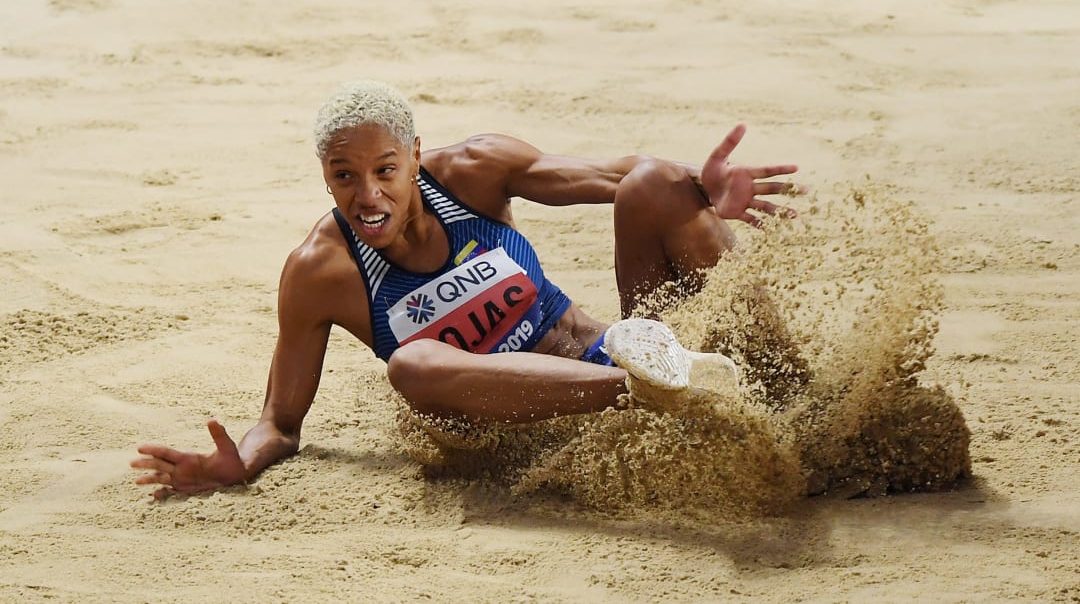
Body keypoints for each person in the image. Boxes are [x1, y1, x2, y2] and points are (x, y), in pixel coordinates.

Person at [131, 80, 802, 500]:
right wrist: (239, 465)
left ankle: (792, 391)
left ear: (416, 156)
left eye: (385, 170)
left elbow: (619, 172)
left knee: (657, 181)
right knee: (410, 362)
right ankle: (649, 390)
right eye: (343, 177)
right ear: (325, 177)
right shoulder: (320, 271)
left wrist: (702, 189)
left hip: (624, 348)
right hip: (546, 428)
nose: (368, 196)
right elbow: (279, 423)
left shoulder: (474, 173)